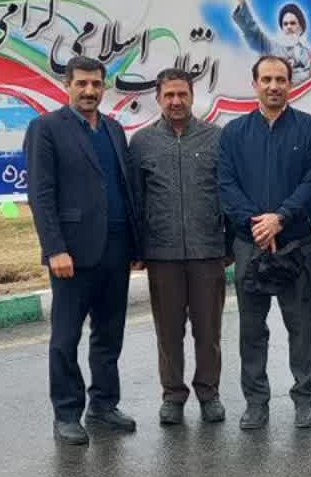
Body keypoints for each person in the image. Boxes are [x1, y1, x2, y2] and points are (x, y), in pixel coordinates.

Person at [24, 56, 144, 445]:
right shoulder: (46, 128)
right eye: (82, 84)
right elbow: (41, 195)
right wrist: (54, 248)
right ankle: (67, 412)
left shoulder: (113, 129)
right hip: (72, 254)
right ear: (67, 85)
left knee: (109, 334)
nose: (90, 91)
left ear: (104, 86)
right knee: (66, 337)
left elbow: (124, 187)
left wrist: (135, 245)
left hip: (116, 248)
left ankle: (104, 405)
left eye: (96, 84)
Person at [218, 54, 311, 430]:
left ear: (290, 84)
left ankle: (303, 399)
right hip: (249, 244)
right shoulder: (233, 133)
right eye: (266, 79)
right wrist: (257, 225)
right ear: (254, 85)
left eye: (280, 79)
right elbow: (226, 186)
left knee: (301, 325)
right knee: (252, 328)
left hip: (294, 243)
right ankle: (256, 402)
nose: (273, 86)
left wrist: (279, 218)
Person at [130, 68, 227, 426]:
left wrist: (226, 245)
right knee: (168, 332)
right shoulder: (141, 143)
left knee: (208, 330)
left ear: (192, 96)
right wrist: (137, 248)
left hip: (207, 252)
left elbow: (226, 194)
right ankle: (173, 395)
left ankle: (209, 393)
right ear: (158, 98)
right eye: (168, 95)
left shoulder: (215, 139)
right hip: (162, 255)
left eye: (181, 94)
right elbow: (135, 200)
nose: (175, 101)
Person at [223, 0, 311, 79]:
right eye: (285, 24)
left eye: (293, 23)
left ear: (301, 27)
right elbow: (252, 30)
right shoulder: (271, 47)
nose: (289, 27)